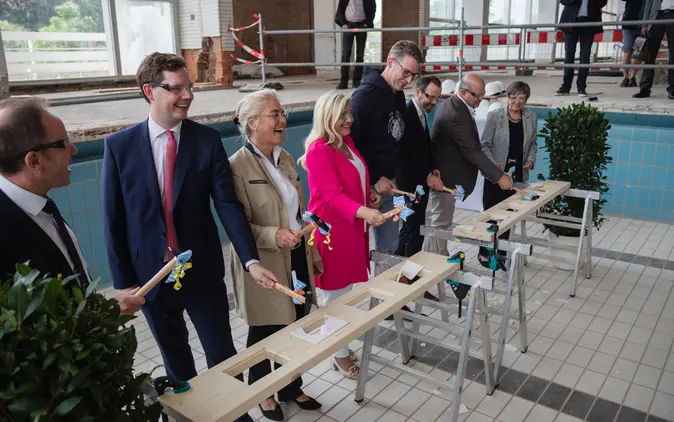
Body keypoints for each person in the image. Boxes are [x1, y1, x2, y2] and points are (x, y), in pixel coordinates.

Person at [101, 52, 277, 422]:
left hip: (201, 272)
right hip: (150, 277)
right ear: (150, 91)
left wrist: (250, 259)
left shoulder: (206, 140)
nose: (187, 95)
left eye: (189, 87)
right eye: (176, 88)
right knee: (175, 358)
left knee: (223, 354)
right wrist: (125, 284)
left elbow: (227, 206)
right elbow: (113, 219)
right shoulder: (119, 147)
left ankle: (233, 413)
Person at [0, 98, 144, 316]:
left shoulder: (40, 205)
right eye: (63, 143)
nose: (74, 150)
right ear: (35, 161)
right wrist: (103, 314)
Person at [228, 89, 322, 421]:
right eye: (275, 114)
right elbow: (238, 223)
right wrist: (273, 234)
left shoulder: (283, 157)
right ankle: (263, 391)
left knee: (297, 321)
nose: (283, 120)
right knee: (266, 328)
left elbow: (296, 207)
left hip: (296, 253)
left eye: (282, 114)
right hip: (263, 261)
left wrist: (307, 233)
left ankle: (290, 386)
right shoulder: (237, 166)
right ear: (252, 122)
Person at [298, 90, 386, 379]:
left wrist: (369, 194)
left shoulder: (346, 142)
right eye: (343, 115)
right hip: (332, 235)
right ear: (327, 116)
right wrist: (364, 212)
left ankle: (337, 341)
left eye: (350, 113)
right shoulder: (320, 150)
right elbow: (333, 197)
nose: (350, 119)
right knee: (336, 297)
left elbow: (355, 179)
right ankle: (339, 354)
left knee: (346, 294)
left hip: (351, 229)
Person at [424, 74, 513, 257]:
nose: (481, 99)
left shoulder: (457, 105)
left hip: (448, 178)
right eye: (477, 95)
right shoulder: (456, 113)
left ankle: (438, 258)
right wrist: (498, 176)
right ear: (463, 92)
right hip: (444, 181)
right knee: (439, 227)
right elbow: (473, 151)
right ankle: (434, 264)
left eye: (482, 95)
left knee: (441, 224)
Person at [350, 39, 424, 254]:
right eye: (406, 73)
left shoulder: (398, 95)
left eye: (413, 76)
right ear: (390, 62)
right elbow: (349, 148)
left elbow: (398, 141)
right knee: (369, 252)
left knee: (390, 248)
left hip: (388, 185)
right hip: (367, 186)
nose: (409, 80)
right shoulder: (364, 97)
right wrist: (373, 178)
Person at [478, 81, 538, 266]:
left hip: (517, 176)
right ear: (507, 97)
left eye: (521, 99)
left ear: (526, 100)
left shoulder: (531, 117)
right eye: (513, 98)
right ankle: (485, 253)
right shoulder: (496, 115)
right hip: (497, 175)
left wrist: (531, 159)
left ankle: (502, 253)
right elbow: (484, 144)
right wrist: (494, 167)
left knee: (509, 217)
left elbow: (534, 143)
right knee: (491, 215)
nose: (516, 102)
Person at [395, 76, 443, 260]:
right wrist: (426, 174)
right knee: (411, 231)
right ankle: (407, 278)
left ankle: (405, 274)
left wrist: (432, 168)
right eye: (431, 97)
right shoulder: (406, 115)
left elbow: (423, 147)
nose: (434, 102)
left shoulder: (420, 112)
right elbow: (405, 157)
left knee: (412, 229)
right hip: (406, 188)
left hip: (416, 186)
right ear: (417, 92)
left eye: (437, 98)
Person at [557, 0, 608, 97]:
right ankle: (566, 86)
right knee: (569, 54)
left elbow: (603, 2)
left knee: (585, 55)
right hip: (571, 20)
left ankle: (581, 87)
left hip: (589, 22)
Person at [633, 0, 674, 99]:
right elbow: (648, 4)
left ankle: (673, 89)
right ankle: (644, 88)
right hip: (656, 15)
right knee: (649, 54)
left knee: (673, 54)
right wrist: (645, 24)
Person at [334, 0, 376, 90]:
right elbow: (340, 9)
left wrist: (367, 23)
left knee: (360, 55)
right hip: (349, 25)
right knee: (346, 54)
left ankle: (356, 81)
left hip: (362, 25)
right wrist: (343, 23)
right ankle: (343, 82)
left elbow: (373, 9)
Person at [620, 0, 644, 87]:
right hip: (628, 24)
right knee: (627, 51)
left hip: (642, 25)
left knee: (638, 53)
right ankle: (625, 78)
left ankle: (633, 77)